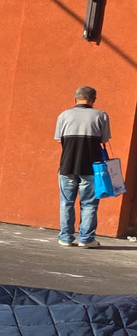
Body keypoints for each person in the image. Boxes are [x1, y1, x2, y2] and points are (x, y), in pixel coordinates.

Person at [55, 86, 111, 248]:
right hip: (92, 167)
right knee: (89, 204)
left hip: (67, 165)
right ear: (94, 99)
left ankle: (65, 237)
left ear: (75, 99)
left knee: (66, 202)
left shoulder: (64, 115)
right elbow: (105, 139)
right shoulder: (101, 115)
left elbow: (59, 139)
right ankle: (86, 239)